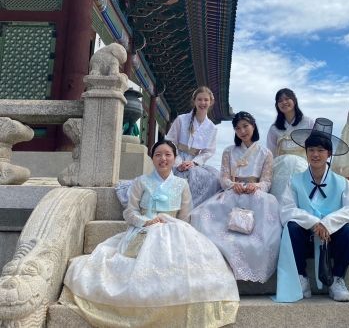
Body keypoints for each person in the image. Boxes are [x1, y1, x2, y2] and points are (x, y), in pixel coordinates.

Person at [63, 140, 239, 328]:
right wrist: (145, 221)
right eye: (158, 155)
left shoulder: (181, 184)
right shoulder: (142, 182)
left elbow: (185, 215)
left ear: (174, 158)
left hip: (173, 228)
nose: (163, 158)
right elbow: (129, 212)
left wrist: (173, 225)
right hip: (144, 228)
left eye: (168, 154)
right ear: (152, 158)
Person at [274, 118, 349, 308]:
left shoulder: (343, 183)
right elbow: (287, 210)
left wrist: (328, 223)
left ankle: (337, 279)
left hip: (332, 239)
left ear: (329, 154)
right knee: (291, 227)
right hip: (307, 237)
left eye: (320, 150)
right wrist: (314, 223)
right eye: (311, 150)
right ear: (306, 153)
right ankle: (301, 277)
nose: (315, 154)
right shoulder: (295, 181)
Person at [191, 111, 281, 283]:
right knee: (200, 215)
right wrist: (234, 185)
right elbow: (223, 178)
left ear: (253, 126)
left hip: (256, 194)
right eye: (238, 128)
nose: (242, 131)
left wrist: (255, 186)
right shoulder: (228, 151)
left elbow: (267, 181)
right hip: (234, 191)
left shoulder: (266, 153)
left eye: (245, 126)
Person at [166, 86, 220, 206]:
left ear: (210, 102)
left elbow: (208, 152)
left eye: (206, 100)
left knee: (214, 179)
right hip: (175, 157)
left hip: (194, 162)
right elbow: (170, 142)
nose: (203, 103)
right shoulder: (181, 119)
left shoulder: (212, 128)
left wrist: (194, 163)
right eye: (199, 99)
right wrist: (178, 161)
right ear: (194, 101)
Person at [266, 88, 315, 200]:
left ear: (294, 100)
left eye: (287, 98)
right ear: (277, 105)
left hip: (304, 166)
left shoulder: (308, 122)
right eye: (280, 100)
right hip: (281, 168)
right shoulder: (274, 129)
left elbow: (316, 146)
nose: (284, 102)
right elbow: (271, 153)